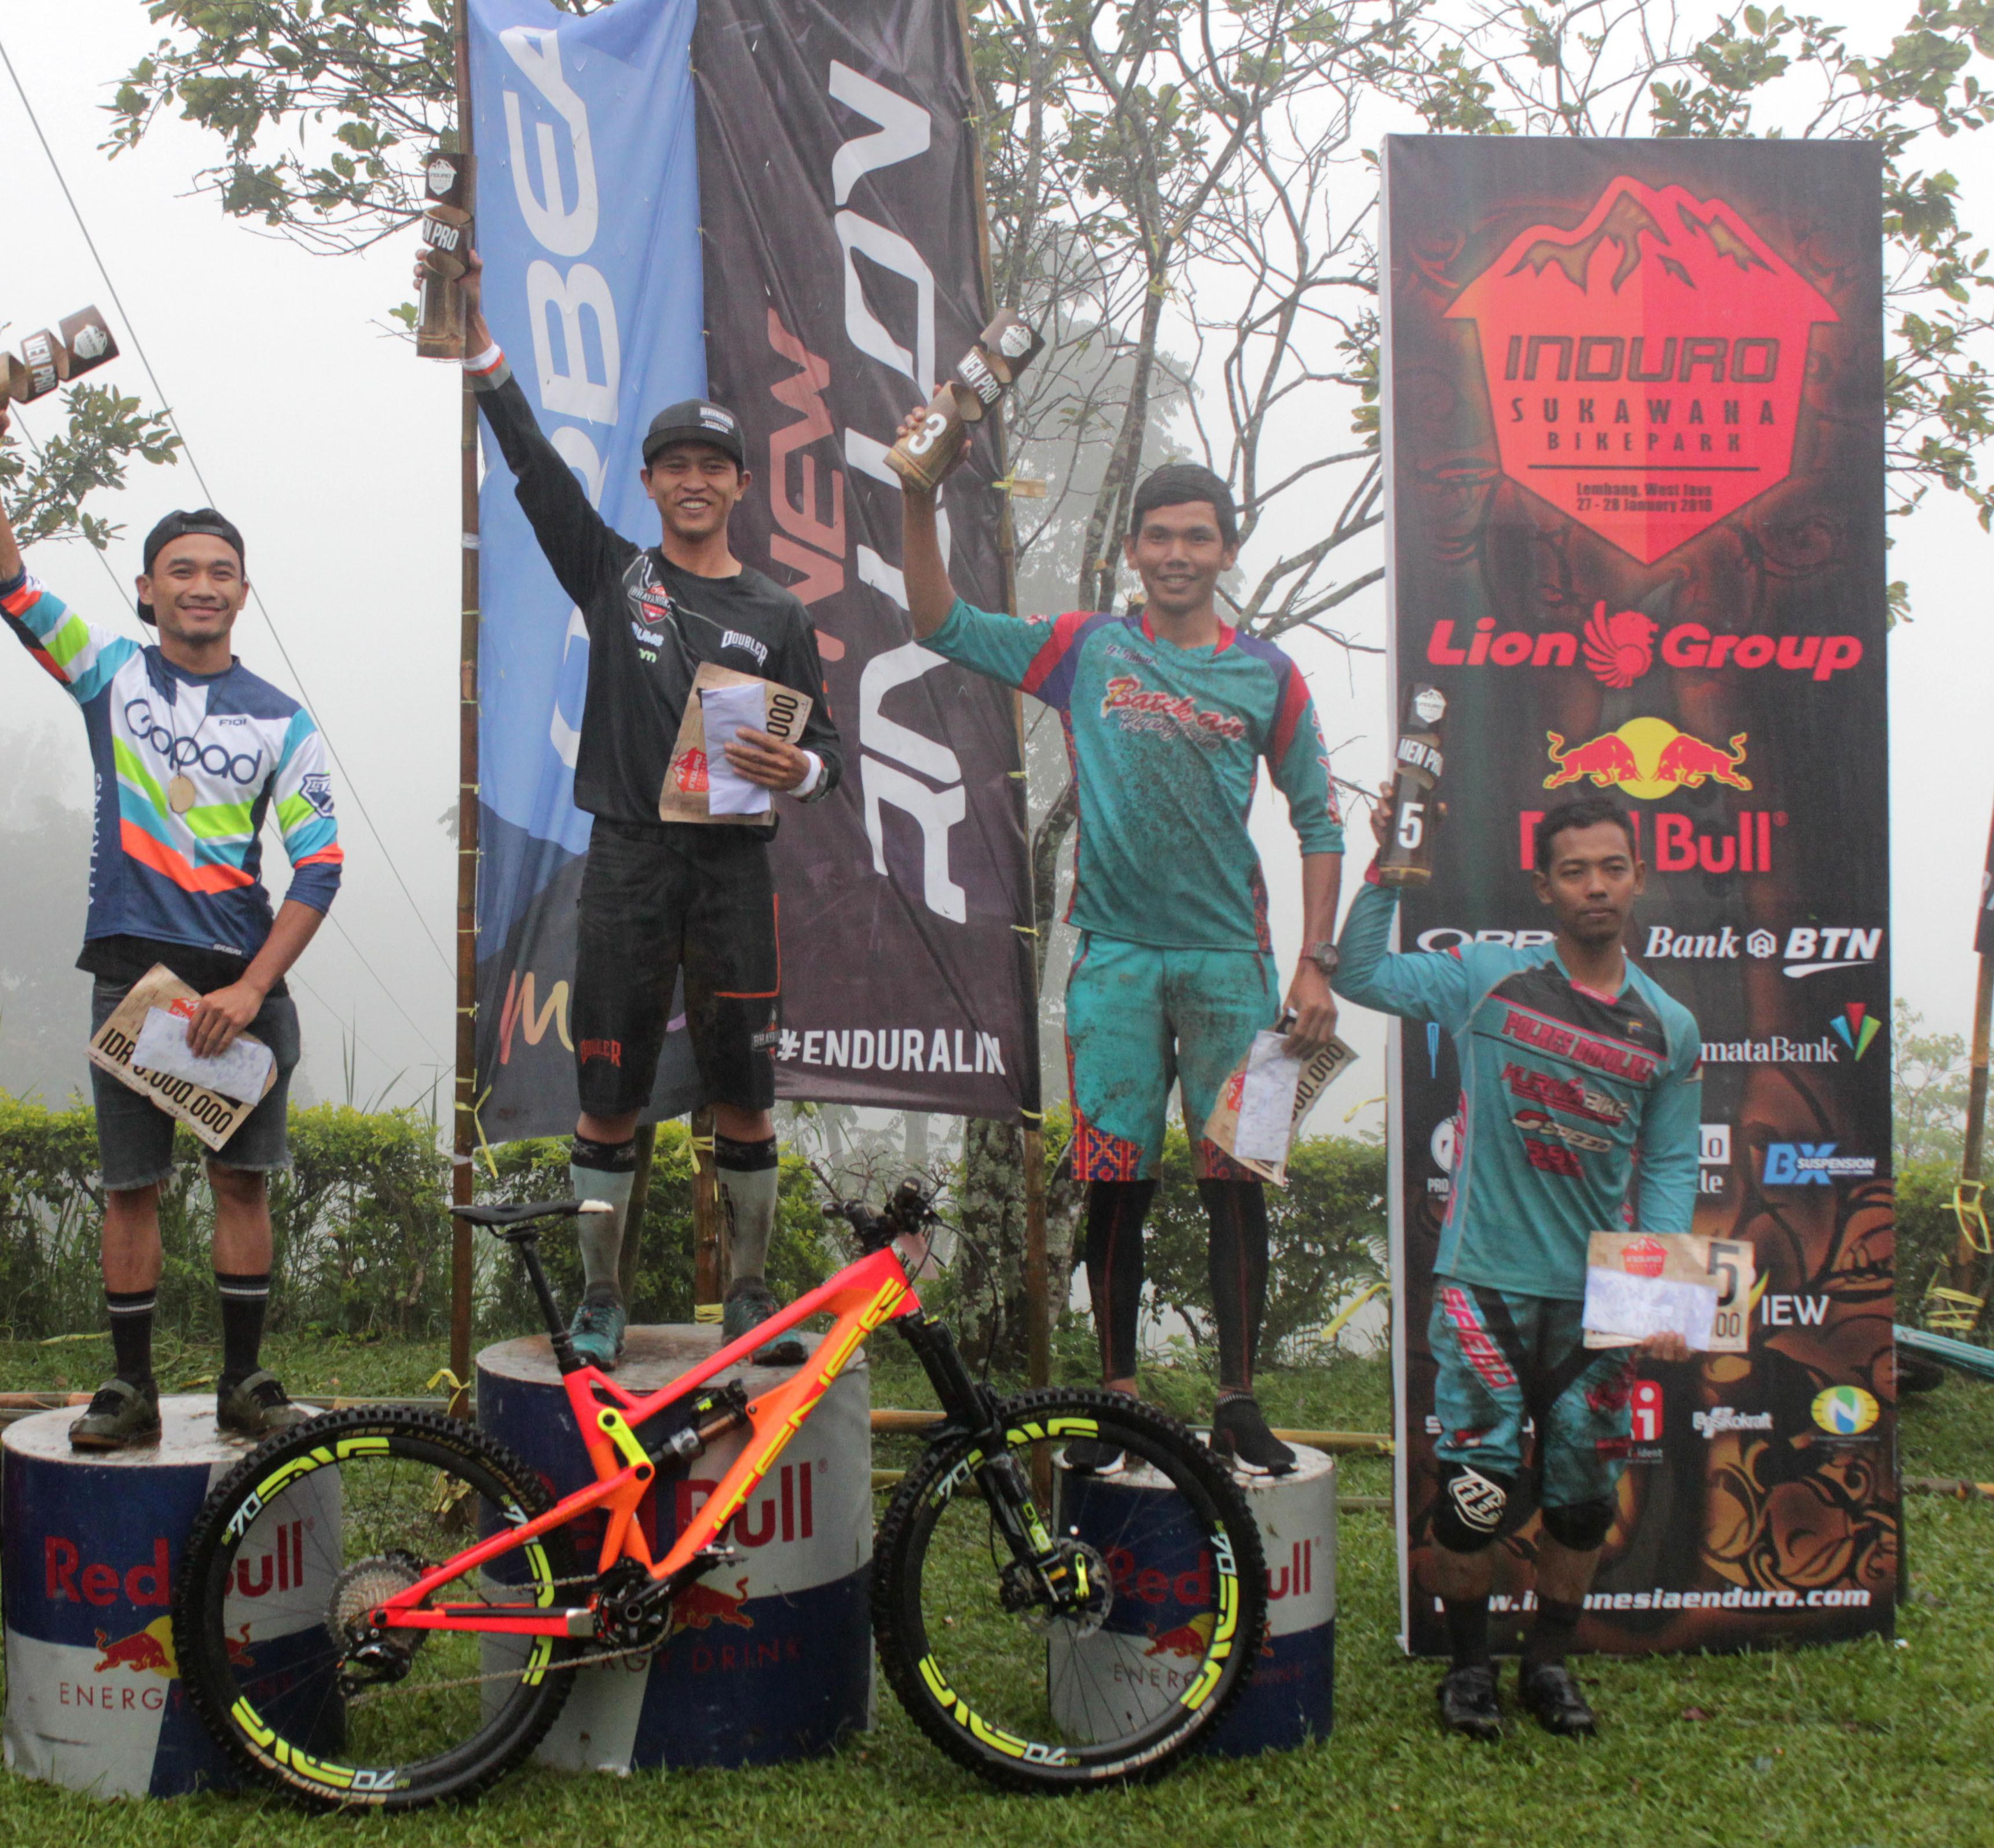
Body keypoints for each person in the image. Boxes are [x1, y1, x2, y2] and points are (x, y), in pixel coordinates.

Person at [896, 428, 1343, 1471]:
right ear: (1134, 553)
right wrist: (918, 500)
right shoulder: (1088, 647)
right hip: (1117, 964)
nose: (1178, 554)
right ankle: (1117, 1401)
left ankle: (1239, 1401)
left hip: (1236, 964)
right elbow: (940, 621)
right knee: (1115, 1182)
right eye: (1159, 537)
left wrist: (1316, 963)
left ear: (1227, 552)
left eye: (1198, 537)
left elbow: (1321, 822)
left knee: (1238, 1185)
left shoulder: (1270, 678)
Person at [446, 250, 848, 1370]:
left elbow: (828, 755)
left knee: (744, 1094)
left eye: (713, 466)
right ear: (653, 483)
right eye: (674, 465)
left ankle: (753, 1294)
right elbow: (535, 475)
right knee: (608, 1089)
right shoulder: (616, 574)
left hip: (732, 873)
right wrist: (484, 353)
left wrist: (796, 773)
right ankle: (599, 1298)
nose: (693, 482)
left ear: (737, 485)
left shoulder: (774, 610)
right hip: (624, 863)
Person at [0, 408, 336, 1445]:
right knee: (133, 1190)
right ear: (148, 587)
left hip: (239, 981)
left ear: (244, 592)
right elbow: (10, 589)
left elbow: (322, 864)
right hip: (134, 976)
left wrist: (254, 988)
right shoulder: (112, 675)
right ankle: (127, 1390)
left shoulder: (281, 718)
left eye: (220, 570)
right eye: (181, 569)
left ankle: (245, 1383)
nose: (201, 584)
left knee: (240, 1184)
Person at [1333, 793, 1700, 1740]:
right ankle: (1466, 1670)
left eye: (1612, 867)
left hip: (1598, 1310)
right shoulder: (1487, 978)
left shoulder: (1671, 1025)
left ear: (1638, 876)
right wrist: (1388, 863)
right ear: (1544, 886)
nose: (1596, 886)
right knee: (1475, 1492)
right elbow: (1365, 973)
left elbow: (1665, 1165)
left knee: (1581, 1504)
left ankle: (1546, 1667)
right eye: (1575, 870)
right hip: (1483, 1288)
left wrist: (1657, 1290)